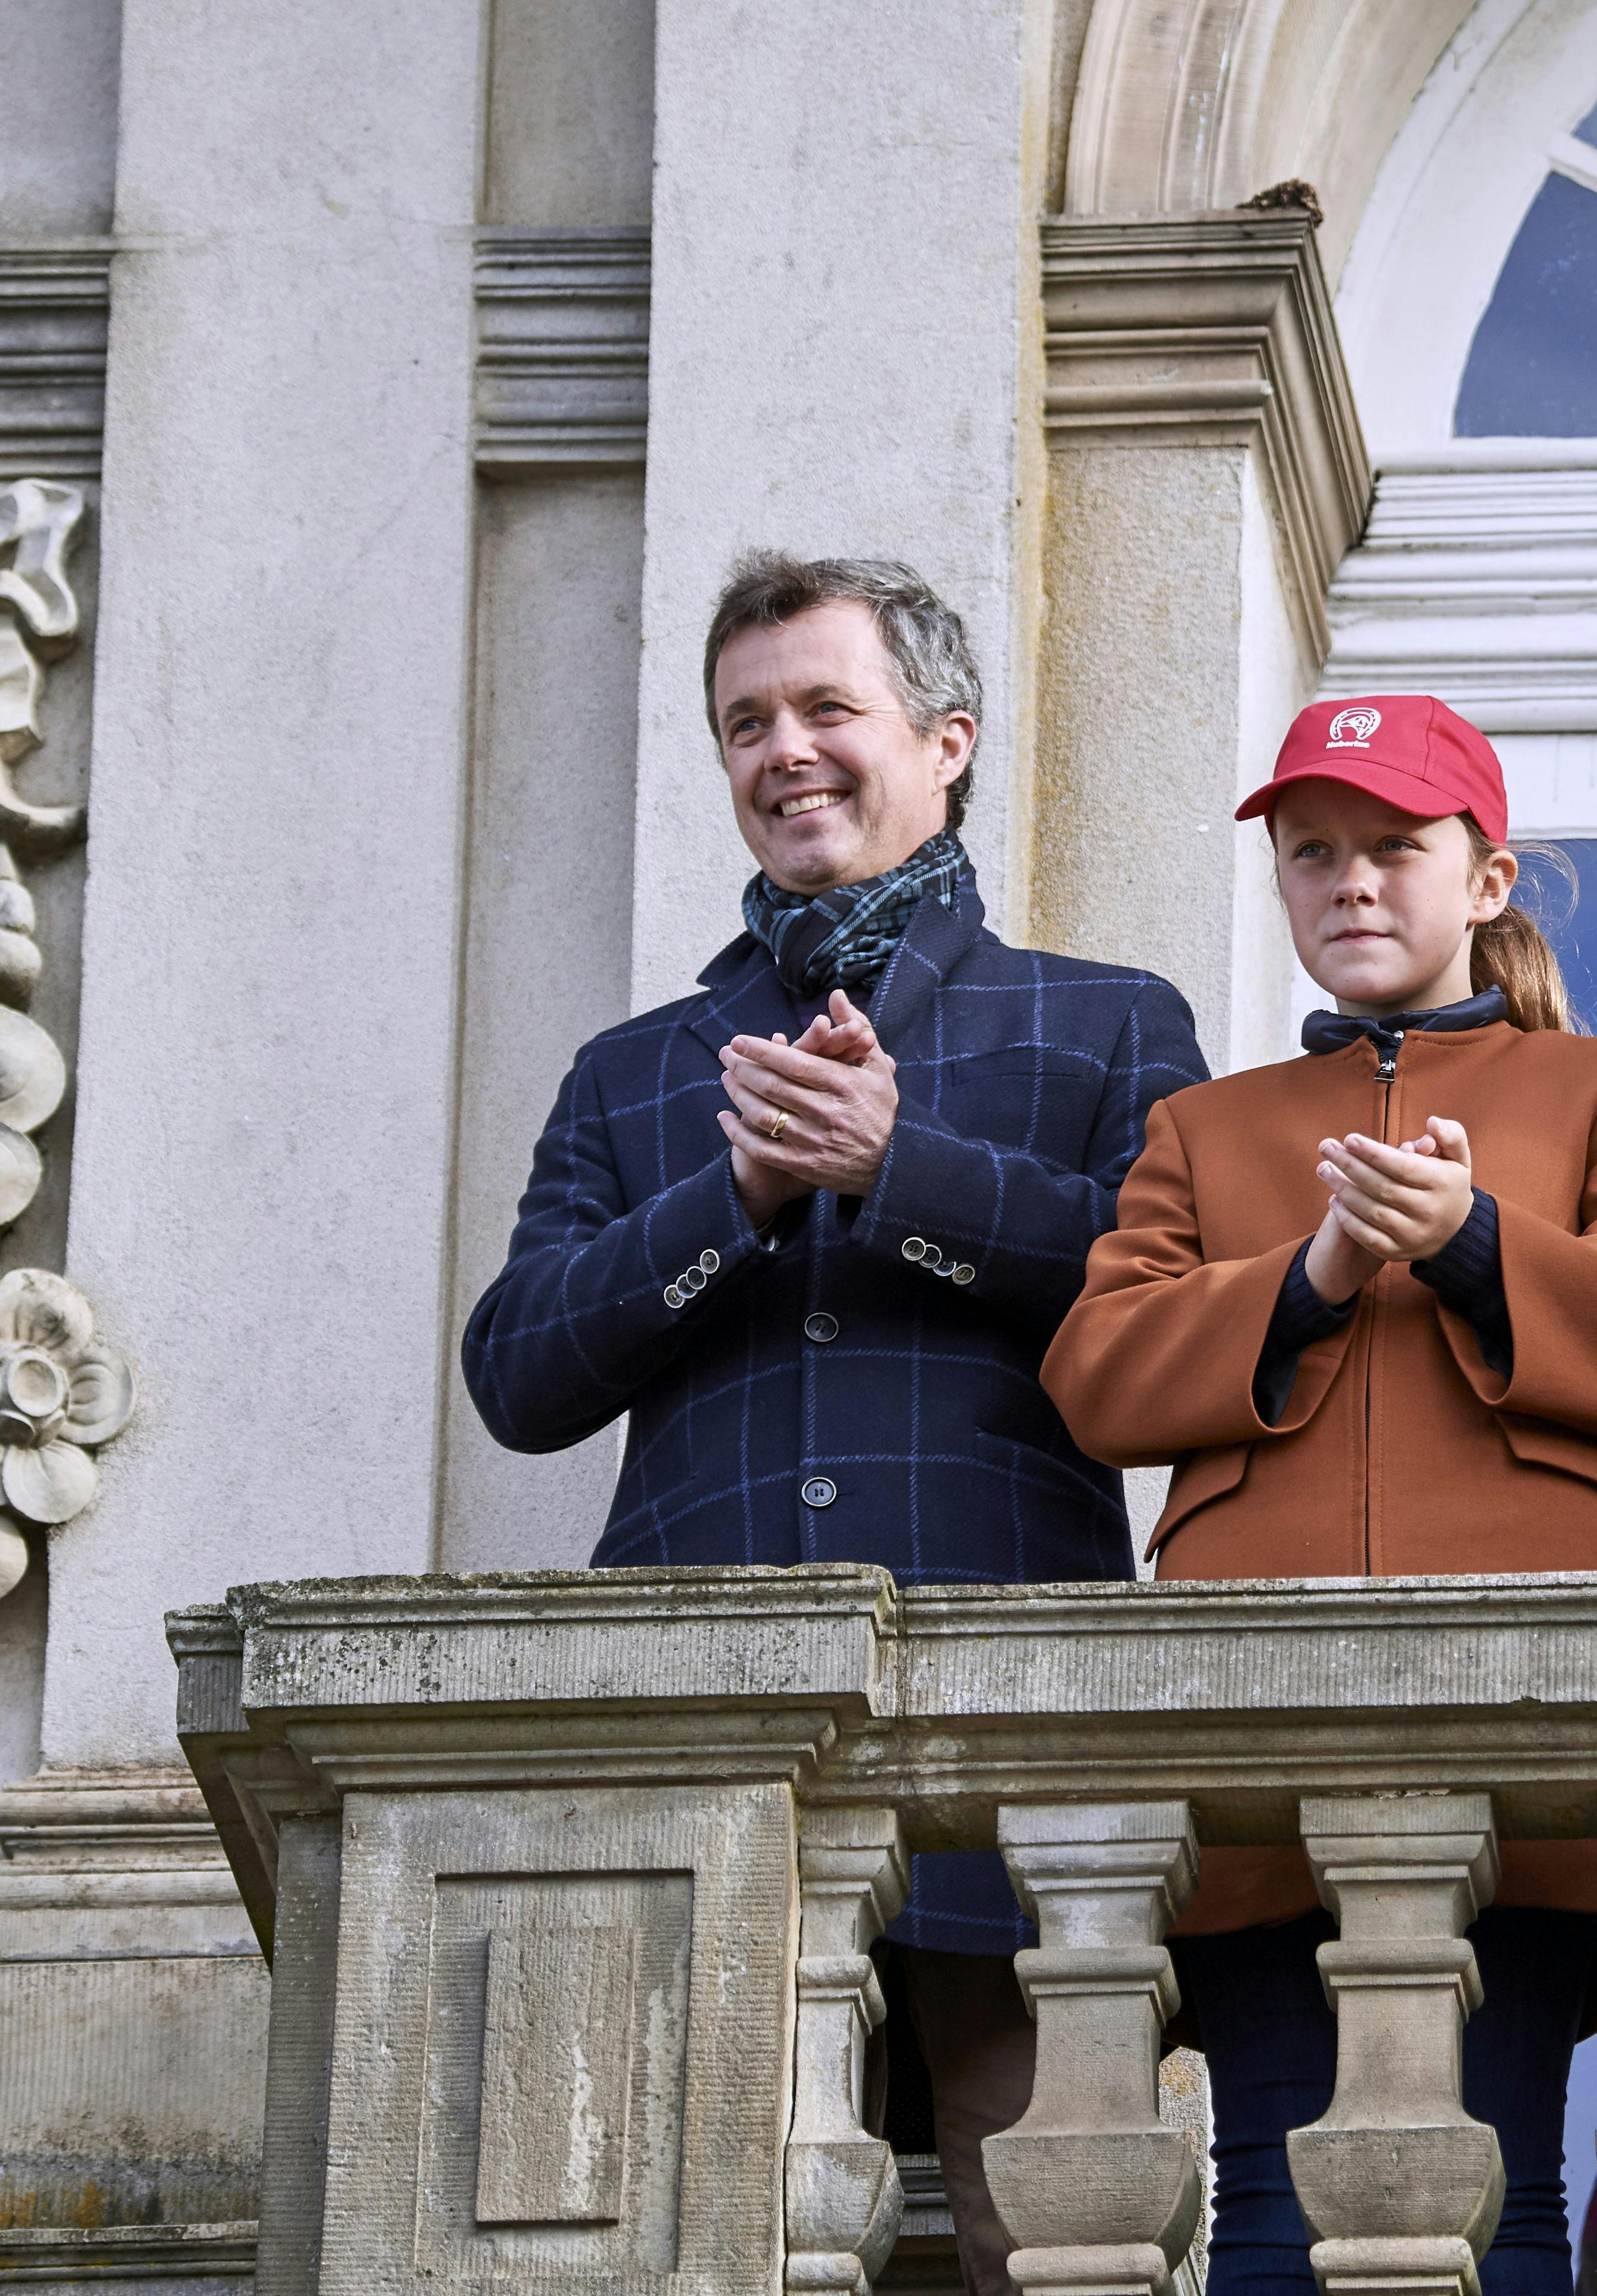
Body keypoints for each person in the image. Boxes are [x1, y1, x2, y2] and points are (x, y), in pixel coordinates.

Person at [459, 552, 1207, 2296]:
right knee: (704, 2238)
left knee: (1051, 2231)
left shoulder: (1104, 1018)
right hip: (702, 1734)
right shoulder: (636, 1068)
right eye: (743, 724)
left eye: (823, 708)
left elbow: (1178, 1305)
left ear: (945, 741)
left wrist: (904, 1174)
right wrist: (732, 1191)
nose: (781, 751)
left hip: (1009, 1723)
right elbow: (517, 1374)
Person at [1040, 693, 1597, 2296]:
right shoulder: (1200, 1127)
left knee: (1487, 2188)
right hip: (1250, 1735)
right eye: (1313, 856)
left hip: (1524, 1730)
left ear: (1486, 880)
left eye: (1393, 848)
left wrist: (1475, 1241)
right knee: (1276, 2200)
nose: (1350, 883)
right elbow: (1096, 1374)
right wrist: (1306, 1275)